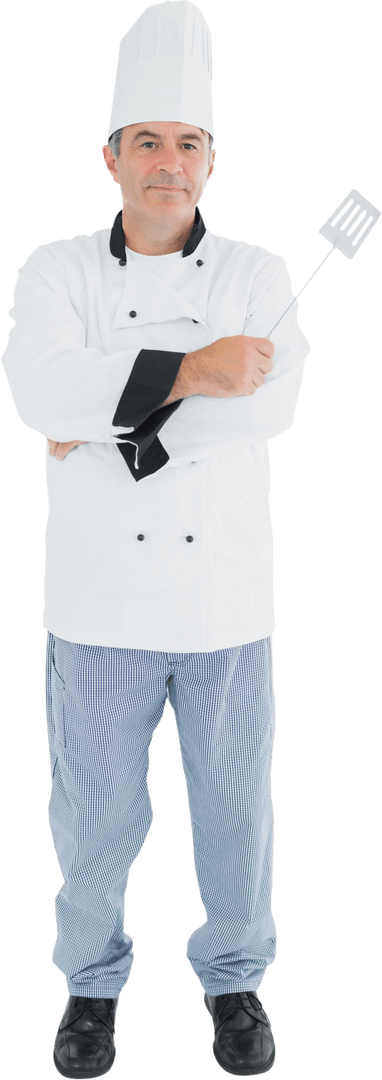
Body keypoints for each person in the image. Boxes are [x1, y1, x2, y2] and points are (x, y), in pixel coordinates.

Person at [1, 1, 310, 1076]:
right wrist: (188, 372)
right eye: (146, 143)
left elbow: (267, 406)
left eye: (185, 144)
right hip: (95, 606)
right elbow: (38, 386)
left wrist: (100, 431)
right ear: (111, 158)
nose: (166, 163)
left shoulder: (260, 275)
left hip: (226, 603)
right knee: (91, 822)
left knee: (237, 818)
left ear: (211, 161)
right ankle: (91, 989)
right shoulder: (56, 273)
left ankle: (235, 983)